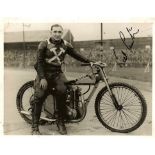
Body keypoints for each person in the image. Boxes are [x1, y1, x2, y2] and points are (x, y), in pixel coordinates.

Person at [31, 24, 91, 135]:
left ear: (62, 33)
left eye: (59, 32)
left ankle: (60, 122)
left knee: (63, 93)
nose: (57, 34)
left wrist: (90, 61)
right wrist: (42, 78)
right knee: (39, 97)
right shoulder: (43, 44)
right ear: (51, 32)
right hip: (44, 73)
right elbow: (39, 63)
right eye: (55, 31)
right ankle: (34, 128)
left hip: (57, 73)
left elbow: (76, 55)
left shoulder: (66, 45)